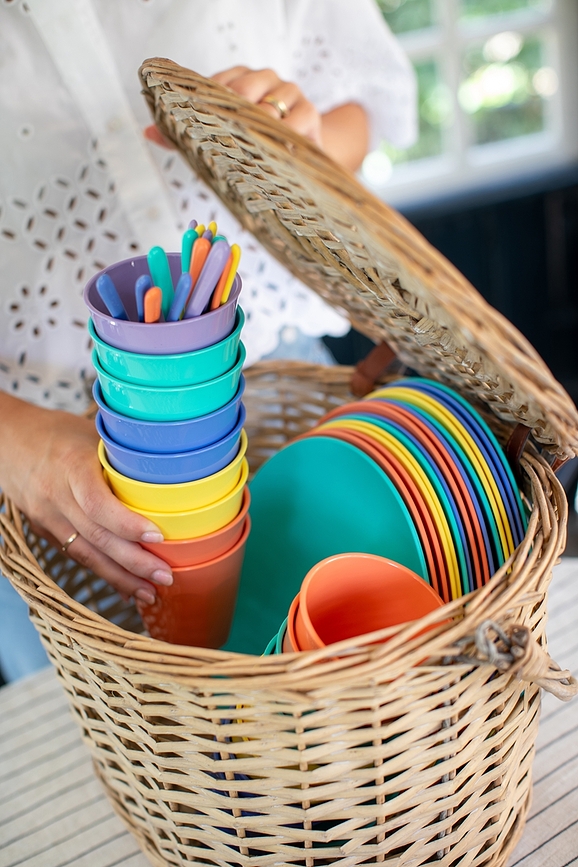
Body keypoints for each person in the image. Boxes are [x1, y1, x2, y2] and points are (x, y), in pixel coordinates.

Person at [0, 0, 417, 681]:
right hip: (34, 471)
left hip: (292, 387)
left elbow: (358, 110)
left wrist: (296, 142)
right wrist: (10, 440)